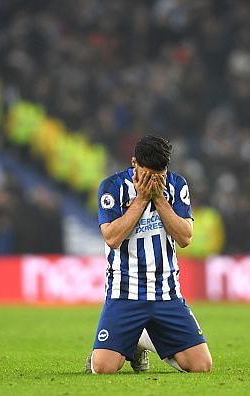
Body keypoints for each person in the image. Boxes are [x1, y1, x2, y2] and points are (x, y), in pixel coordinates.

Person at [86, 135, 212, 374]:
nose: (154, 182)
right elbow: (112, 238)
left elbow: (185, 237)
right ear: (134, 163)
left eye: (160, 176)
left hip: (166, 293)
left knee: (201, 366)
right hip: (125, 293)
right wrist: (142, 199)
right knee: (103, 368)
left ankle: (142, 338)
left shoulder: (176, 185)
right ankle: (128, 342)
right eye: (148, 176)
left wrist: (158, 198)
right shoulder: (112, 187)